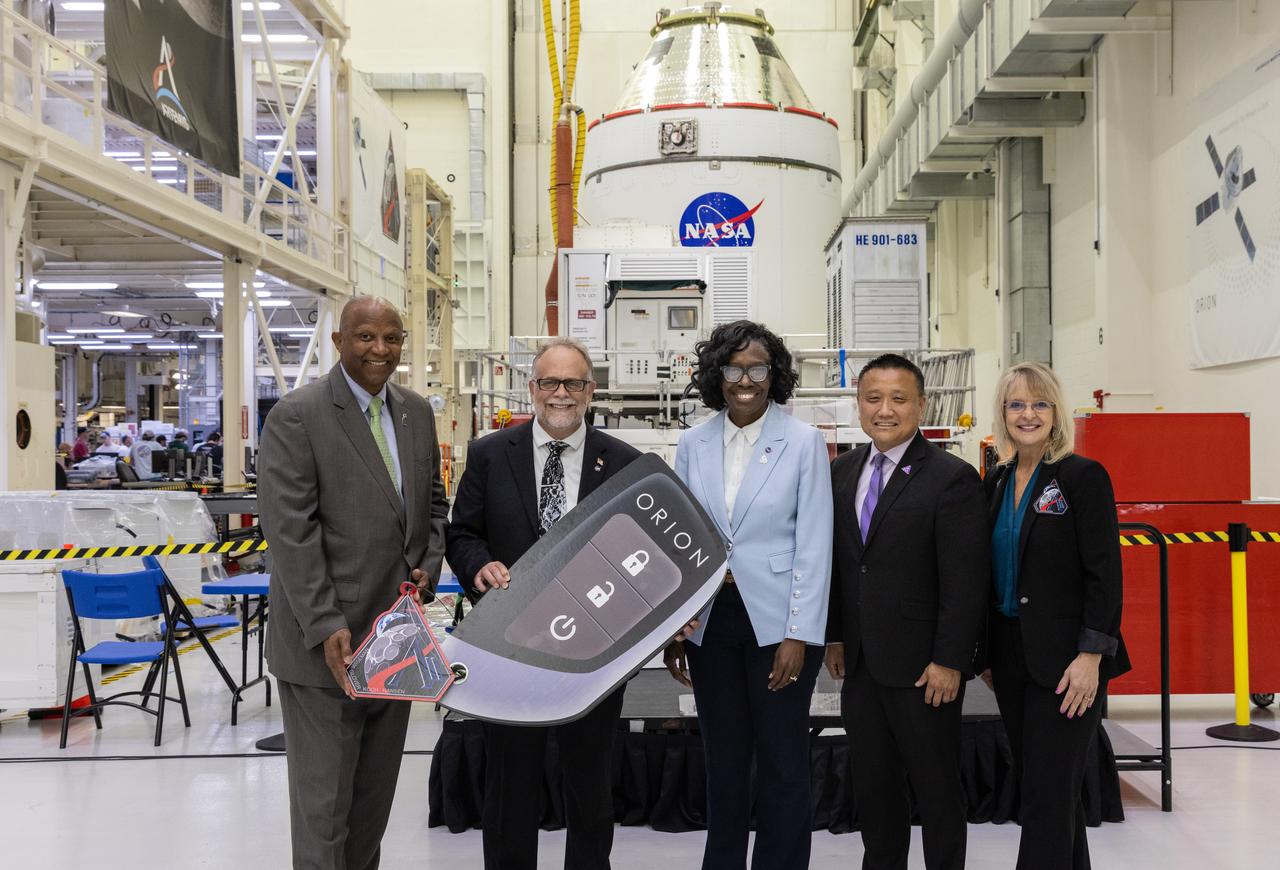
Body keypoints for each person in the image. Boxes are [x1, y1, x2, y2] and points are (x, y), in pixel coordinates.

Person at [258, 296, 449, 870]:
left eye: (392, 339)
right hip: (327, 650)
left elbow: (432, 506)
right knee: (325, 816)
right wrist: (324, 624)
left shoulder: (415, 413)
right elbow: (290, 533)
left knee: (370, 808)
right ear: (340, 341)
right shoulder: (298, 415)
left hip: (393, 642)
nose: (380, 350)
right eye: (366, 337)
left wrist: (428, 565)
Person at [446, 337, 641, 870]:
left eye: (573, 383)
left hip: (592, 655)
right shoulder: (490, 454)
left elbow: (633, 554)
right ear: (531, 389)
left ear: (590, 391)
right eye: (549, 382)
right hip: (509, 649)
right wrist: (478, 567)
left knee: (590, 788)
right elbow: (461, 535)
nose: (561, 394)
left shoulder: (623, 463)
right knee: (510, 788)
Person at [660, 320, 833, 869]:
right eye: (734, 368)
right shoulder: (693, 442)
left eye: (758, 368)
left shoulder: (803, 442)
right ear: (717, 374)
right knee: (724, 762)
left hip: (778, 622)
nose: (746, 380)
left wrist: (799, 634)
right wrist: (676, 626)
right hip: (711, 619)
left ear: (774, 374)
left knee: (783, 762)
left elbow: (814, 544)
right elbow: (681, 541)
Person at [825, 353, 989, 870]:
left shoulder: (952, 477)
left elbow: (966, 583)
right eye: (873, 399)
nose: (885, 410)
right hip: (862, 666)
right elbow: (840, 563)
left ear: (921, 404)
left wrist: (950, 660)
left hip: (925, 669)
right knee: (875, 790)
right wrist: (834, 635)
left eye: (899, 399)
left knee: (937, 791)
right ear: (859, 405)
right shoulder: (841, 471)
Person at [983, 362, 1130, 870]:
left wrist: (1092, 655)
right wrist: (985, 654)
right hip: (1011, 659)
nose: (1028, 414)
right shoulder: (999, 480)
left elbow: (1105, 577)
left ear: (1056, 411)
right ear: (1003, 413)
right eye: (1017, 404)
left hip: (1069, 664)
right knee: (1049, 790)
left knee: (1045, 797)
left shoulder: (1082, 477)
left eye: (1040, 403)